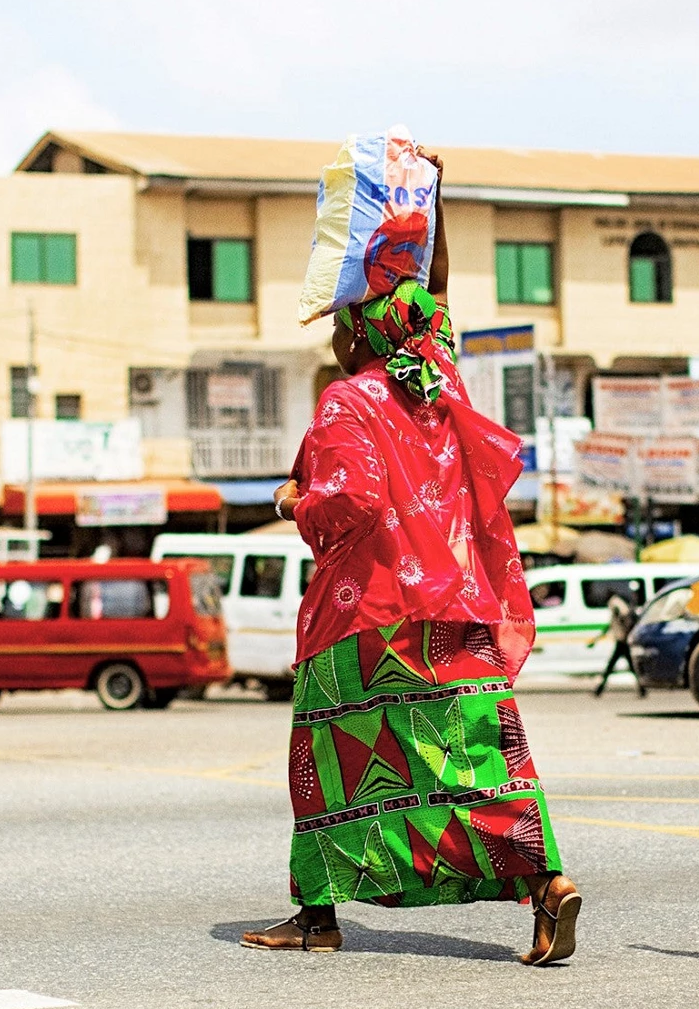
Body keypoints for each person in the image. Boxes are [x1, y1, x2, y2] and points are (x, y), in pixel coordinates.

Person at [244, 150, 582, 965]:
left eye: (337, 323)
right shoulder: (440, 383)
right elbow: (433, 289)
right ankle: (547, 885)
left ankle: (319, 916)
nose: (330, 333)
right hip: (458, 611)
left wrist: (294, 502)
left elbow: (351, 502)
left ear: (354, 333)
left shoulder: (348, 399)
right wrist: (437, 200)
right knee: (483, 759)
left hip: (368, 620)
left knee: (328, 765)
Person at [590, 588, 645, 697]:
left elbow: (624, 614)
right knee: (628, 666)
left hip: (622, 640)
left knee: (612, 666)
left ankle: (599, 689)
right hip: (621, 639)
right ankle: (641, 688)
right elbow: (611, 624)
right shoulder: (616, 602)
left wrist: (625, 631)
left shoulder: (614, 602)